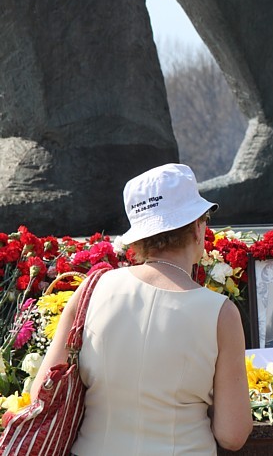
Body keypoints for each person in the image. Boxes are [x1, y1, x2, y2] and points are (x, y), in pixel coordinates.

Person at [31, 163, 252, 454]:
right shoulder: (220, 313)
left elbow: (41, 392)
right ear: (198, 228)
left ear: (138, 238)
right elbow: (232, 435)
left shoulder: (92, 288)